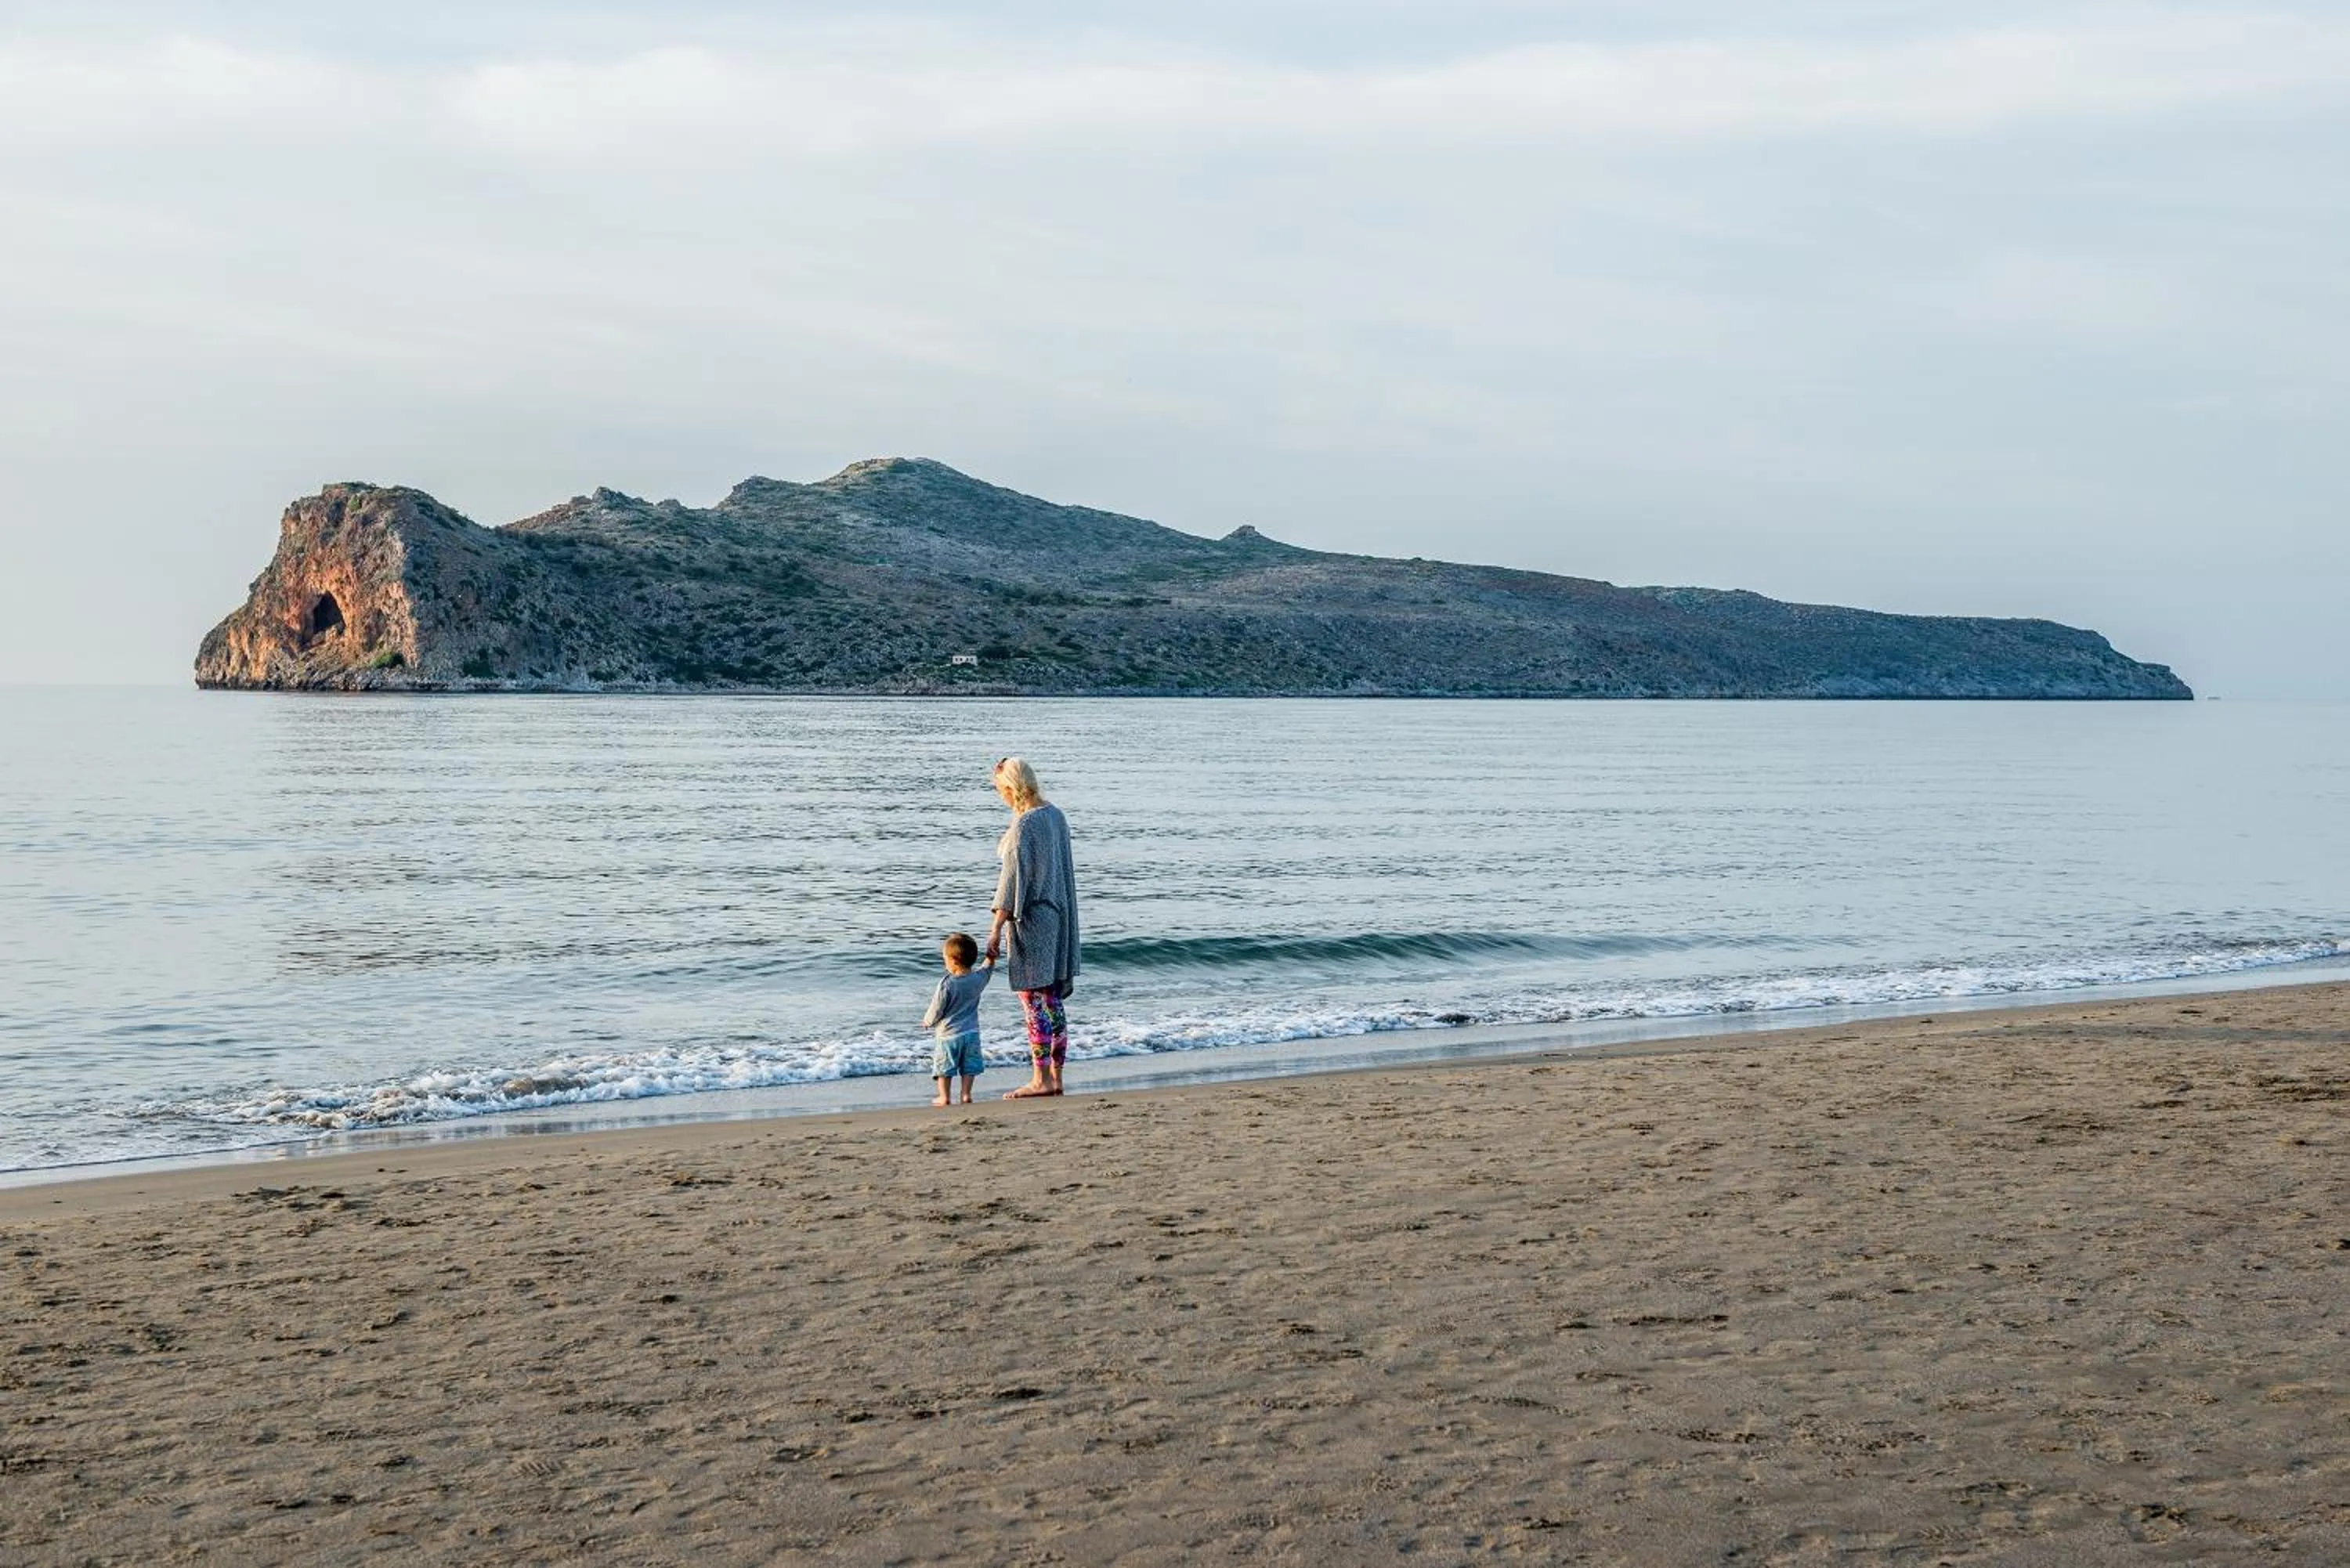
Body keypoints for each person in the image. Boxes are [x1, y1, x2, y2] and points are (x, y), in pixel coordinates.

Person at [985, 757, 1079, 1099]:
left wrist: (996, 927)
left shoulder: (1025, 825)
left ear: (1012, 788)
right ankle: (1056, 1077)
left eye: (1001, 791)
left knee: (1032, 1002)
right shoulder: (1056, 815)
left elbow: (1011, 881)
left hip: (1032, 920)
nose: (1001, 798)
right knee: (1052, 1000)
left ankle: (1039, 1080)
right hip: (1057, 918)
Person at [921, 932, 992, 1107]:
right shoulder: (977, 979)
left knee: (945, 1068)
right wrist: (991, 956)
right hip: (971, 1033)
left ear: (953, 961)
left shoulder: (947, 983)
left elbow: (937, 1007)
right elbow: (987, 969)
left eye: (944, 958)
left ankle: (944, 1097)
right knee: (969, 1066)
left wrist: (928, 1021)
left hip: (949, 1035)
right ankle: (966, 1094)